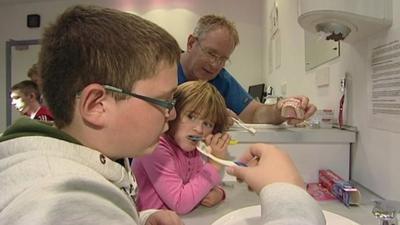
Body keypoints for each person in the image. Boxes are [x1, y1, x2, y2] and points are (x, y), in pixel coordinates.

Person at [0, 5, 325, 225]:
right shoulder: (65, 204)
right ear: (97, 104)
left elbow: (254, 111)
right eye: (165, 101)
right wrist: (287, 193)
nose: (172, 118)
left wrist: (139, 217)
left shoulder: (74, 172)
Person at [179, 14, 317, 125]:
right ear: (191, 43)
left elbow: (254, 113)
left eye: (223, 59)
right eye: (211, 53)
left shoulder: (221, 79)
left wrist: (279, 109)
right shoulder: (163, 67)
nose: (215, 65)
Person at [132, 81, 231, 214]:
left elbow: (199, 184)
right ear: (173, 113)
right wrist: (214, 165)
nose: (199, 129)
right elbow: (180, 203)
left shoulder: (192, 150)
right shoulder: (155, 148)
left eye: (207, 124)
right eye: (191, 116)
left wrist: (219, 193)